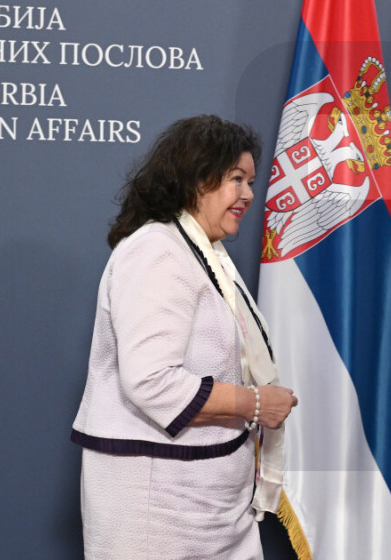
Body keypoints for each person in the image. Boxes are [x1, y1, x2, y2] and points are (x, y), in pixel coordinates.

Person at [71, 115, 298, 559]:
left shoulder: (205, 253)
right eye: (237, 179)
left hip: (212, 506)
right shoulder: (157, 250)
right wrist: (255, 403)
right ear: (196, 178)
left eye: (251, 182)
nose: (249, 195)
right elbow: (151, 380)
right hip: (156, 511)